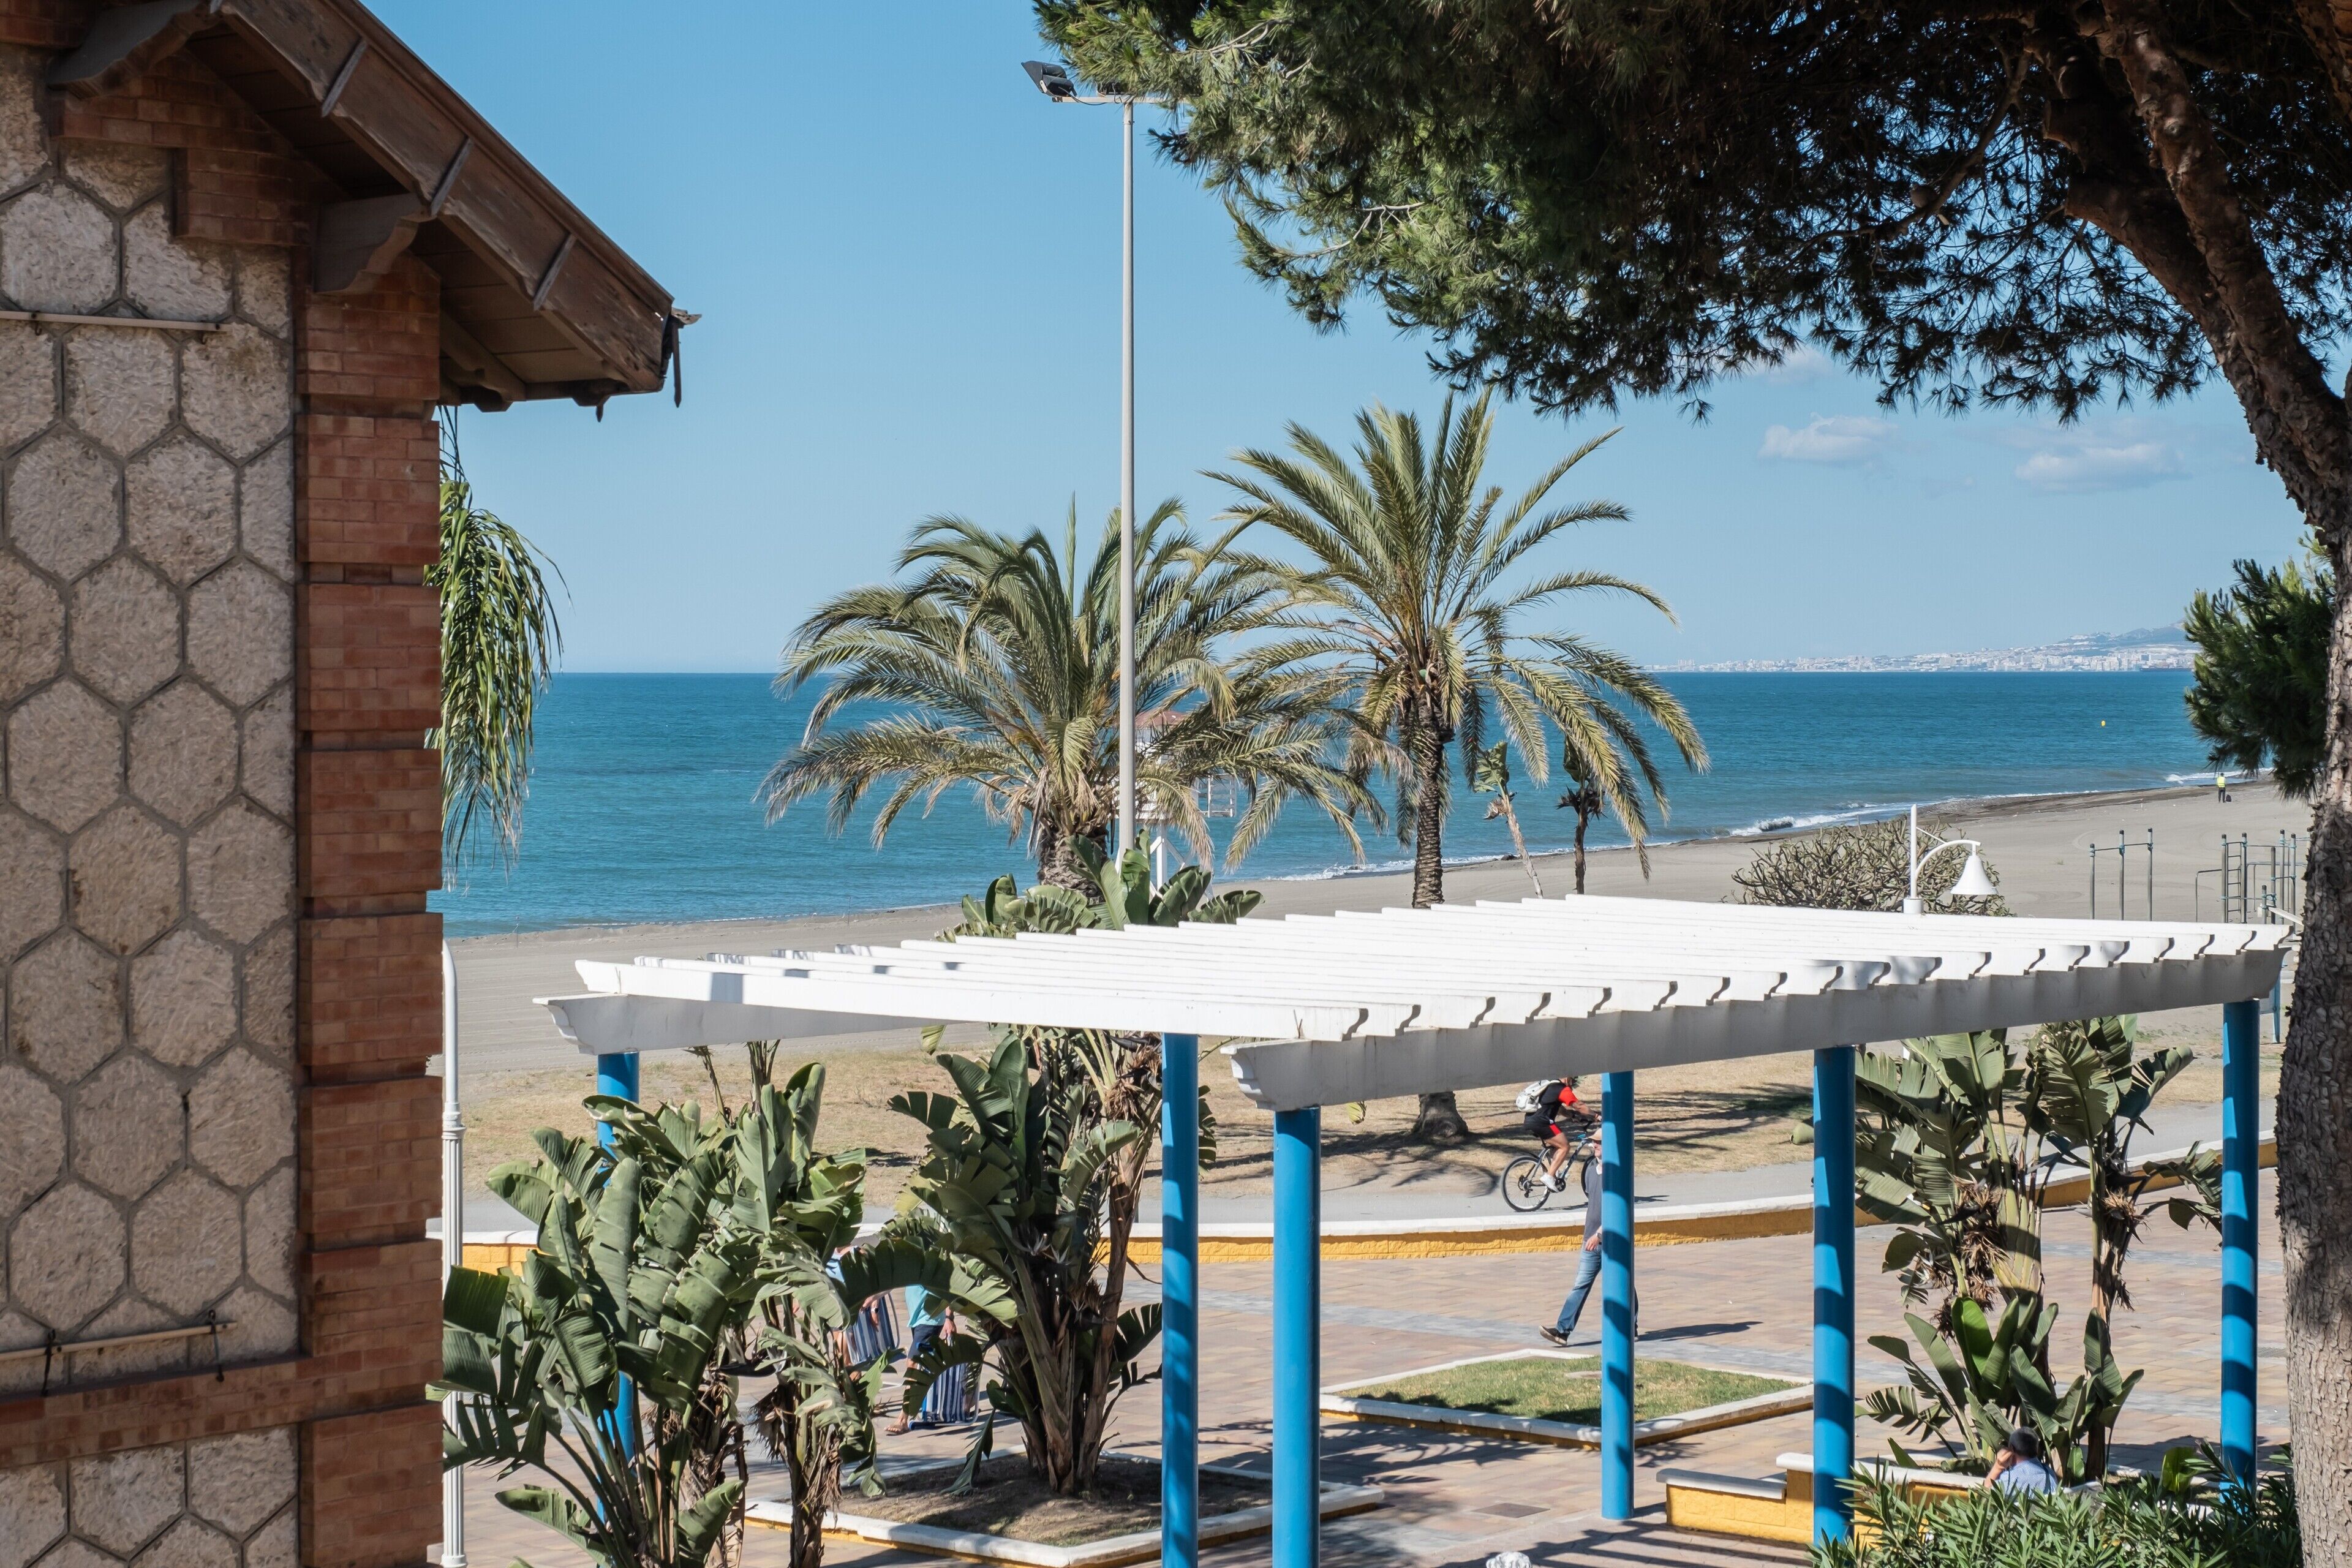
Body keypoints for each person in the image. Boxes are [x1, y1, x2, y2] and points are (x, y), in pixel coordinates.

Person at [1539, 1139, 1637, 1345]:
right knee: (1579, 1286)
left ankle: (1631, 1325)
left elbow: (1617, 1209)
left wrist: (1599, 1235)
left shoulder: (1618, 1173)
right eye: (1594, 1142)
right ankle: (1562, 1332)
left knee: (1624, 1282)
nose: (1595, 1145)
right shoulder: (1591, 1170)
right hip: (1590, 1239)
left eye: (1600, 1142)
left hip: (1613, 1241)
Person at [886, 1281, 952, 1435]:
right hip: (918, 1320)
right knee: (928, 1365)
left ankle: (903, 1419)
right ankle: (941, 1407)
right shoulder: (914, 1260)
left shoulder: (931, 1259)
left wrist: (949, 1317)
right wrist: (871, 1299)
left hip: (930, 1319)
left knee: (913, 1364)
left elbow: (947, 1286)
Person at [1523, 1077, 1589, 1191]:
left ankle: (1554, 1174)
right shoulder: (1561, 1089)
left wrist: (1573, 1116)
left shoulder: (1551, 1086)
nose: (1573, 1085)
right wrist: (1596, 1116)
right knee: (1565, 1146)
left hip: (1531, 1121)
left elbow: (1559, 1109)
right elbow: (1578, 1106)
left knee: (1557, 1145)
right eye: (1573, 1081)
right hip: (1542, 1122)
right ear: (1567, 1078)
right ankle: (1549, 1176)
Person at [1986, 1426, 2059, 1494]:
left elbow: (1985, 1493)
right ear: (2037, 1450)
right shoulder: (2050, 1474)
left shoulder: (2009, 1479)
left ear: (2012, 1448)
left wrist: (1998, 1467)